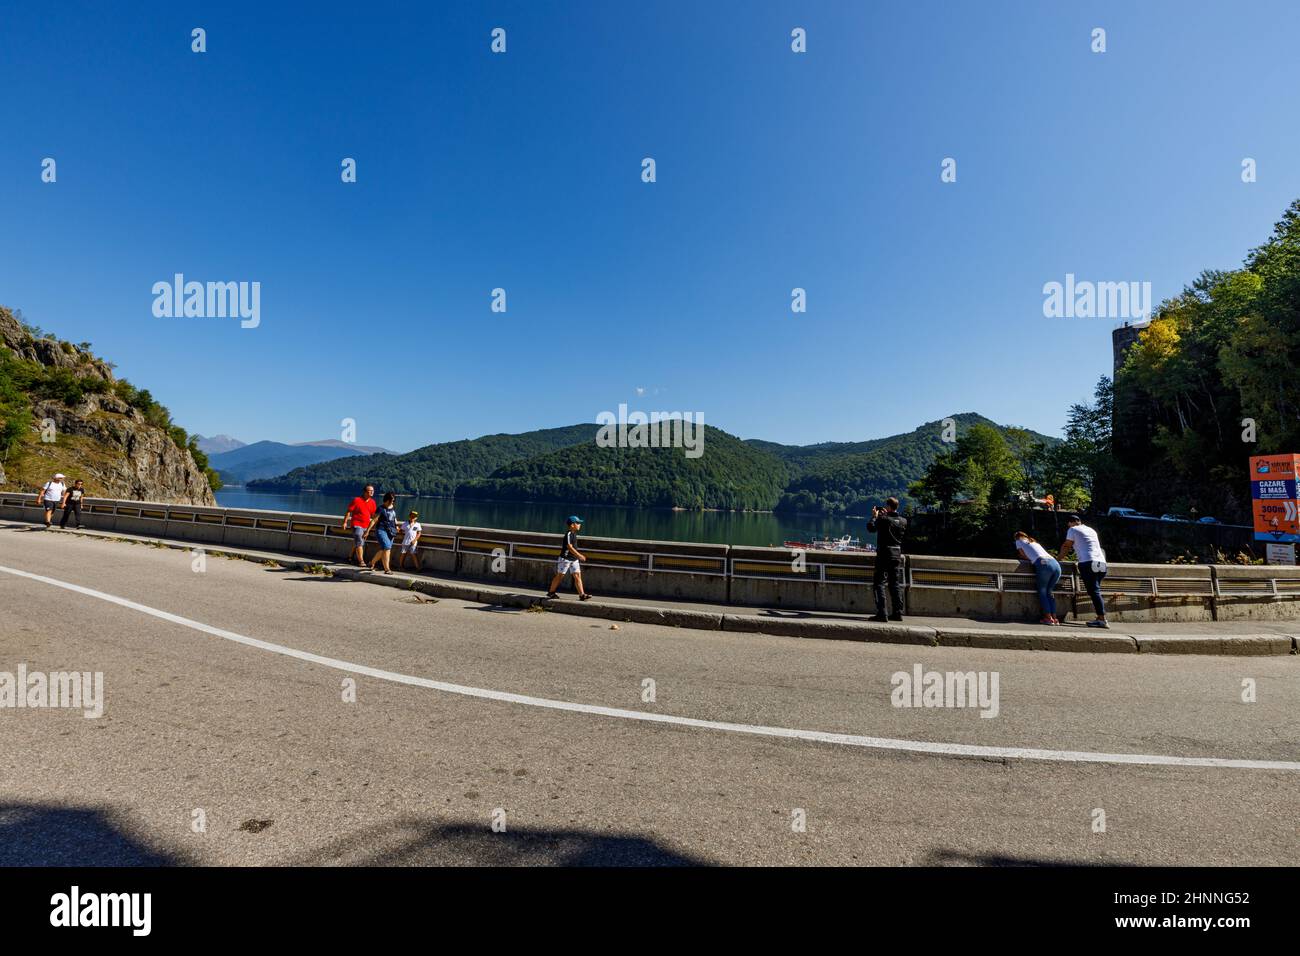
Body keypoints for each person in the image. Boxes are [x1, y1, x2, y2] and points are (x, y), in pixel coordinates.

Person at [1060, 514, 1109, 628]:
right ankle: (1099, 617)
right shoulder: (1091, 530)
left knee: (1094, 592)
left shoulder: (1072, 529)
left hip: (1088, 562)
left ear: (1070, 523)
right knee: (1096, 591)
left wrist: (1059, 558)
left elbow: (1067, 545)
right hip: (1101, 563)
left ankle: (1102, 619)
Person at [867, 497, 907, 621]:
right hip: (896, 555)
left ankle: (882, 613)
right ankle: (898, 612)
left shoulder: (883, 520)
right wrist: (884, 516)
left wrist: (874, 516)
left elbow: (871, 528)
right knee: (894, 584)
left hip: (884, 554)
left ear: (888, 506)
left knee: (879, 583)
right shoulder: (903, 521)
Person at [1015, 531, 1060, 624]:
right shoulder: (1034, 542)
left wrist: (1029, 559)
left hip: (1044, 564)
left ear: (1017, 537)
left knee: (1042, 592)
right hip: (1056, 564)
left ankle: (1048, 618)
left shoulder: (1018, 541)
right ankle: (1055, 619)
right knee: (1049, 593)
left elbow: (1023, 554)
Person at [547, 515, 592, 601]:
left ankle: (582, 595)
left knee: (577, 575)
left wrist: (576, 557)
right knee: (560, 575)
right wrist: (579, 555)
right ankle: (551, 592)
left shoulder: (574, 534)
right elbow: (569, 547)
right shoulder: (568, 534)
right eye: (578, 523)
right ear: (572, 525)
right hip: (565, 559)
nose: (580, 525)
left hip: (574, 559)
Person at [341, 484, 378, 567]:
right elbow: (348, 511)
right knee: (359, 541)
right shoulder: (357, 500)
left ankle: (350, 557)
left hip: (366, 526)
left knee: (358, 542)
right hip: (356, 524)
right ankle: (361, 561)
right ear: (365, 492)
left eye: (373, 491)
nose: (372, 492)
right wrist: (345, 522)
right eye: (370, 490)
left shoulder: (372, 502)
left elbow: (373, 516)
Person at [368, 493, 400, 573]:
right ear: (386, 500)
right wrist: (367, 531)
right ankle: (387, 569)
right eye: (390, 501)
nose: (392, 503)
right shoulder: (380, 508)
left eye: (393, 501)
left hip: (391, 531)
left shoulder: (393, 507)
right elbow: (374, 520)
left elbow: (394, 518)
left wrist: (396, 526)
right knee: (387, 547)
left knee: (384, 549)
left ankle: (371, 562)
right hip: (381, 530)